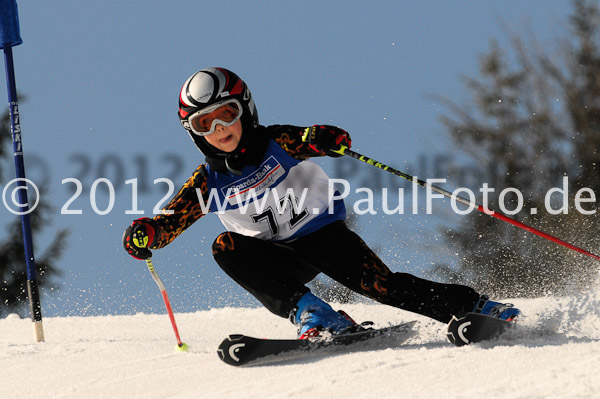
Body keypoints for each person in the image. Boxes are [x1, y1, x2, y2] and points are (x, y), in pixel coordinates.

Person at [122, 67, 520, 339]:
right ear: (193, 133)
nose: (219, 129)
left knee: (381, 286)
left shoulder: (275, 142)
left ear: (246, 109)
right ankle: (316, 314)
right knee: (225, 246)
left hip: (321, 237)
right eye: (204, 123)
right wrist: (149, 233)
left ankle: (477, 307)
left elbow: (313, 137)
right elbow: (169, 221)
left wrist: (325, 139)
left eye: (226, 114)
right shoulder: (208, 181)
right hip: (274, 257)